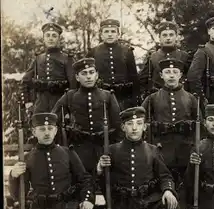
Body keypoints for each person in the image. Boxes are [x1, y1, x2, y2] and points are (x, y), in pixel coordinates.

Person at [9, 113, 103, 209]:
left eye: (50, 128)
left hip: (68, 207)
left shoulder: (68, 153)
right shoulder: (28, 158)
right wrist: (14, 175)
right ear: (34, 132)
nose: (46, 132)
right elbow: (18, 194)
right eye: (42, 129)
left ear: (56, 131)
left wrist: (87, 199)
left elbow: (85, 179)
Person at [97, 106, 179, 209]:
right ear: (123, 127)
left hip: (149, 202)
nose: (134, 128)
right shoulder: (112, 150)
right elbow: (103, 183)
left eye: (139, 123)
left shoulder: (153, 150)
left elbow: (165, 176)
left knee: (170, 208)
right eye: (129, 124)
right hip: (126, 207)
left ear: (144, 126)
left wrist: (168, 190)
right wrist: (100, 168)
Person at [141, 57, 198, 209]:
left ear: (181, 75)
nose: (171, 76)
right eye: (167, 72)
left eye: (175, 72)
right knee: (164, 191)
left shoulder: (191, 99)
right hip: (161, 152)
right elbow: (143, 125)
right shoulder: (152, 99)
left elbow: (201, 127)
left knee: (185, 191)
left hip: (184, 151)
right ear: (161, 75)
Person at [51, 58, 121, 194]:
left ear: (97, 75)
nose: (88, 76)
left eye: (91, 72)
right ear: (77, 77)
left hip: (103, 147)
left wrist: (115, 149)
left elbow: (118, 125)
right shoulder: (70, 96)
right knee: (81, 184)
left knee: (108, 186)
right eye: (84, 73)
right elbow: (54, 120)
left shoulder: (107, 96)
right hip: (79, 148)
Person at [21, 22, 76, 114]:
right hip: (40, 105)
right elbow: (25, 81)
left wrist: (69, 107)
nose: (51, 38)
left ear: (59, 39)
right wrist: (28, 102)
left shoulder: (67, 59)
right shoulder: (38, 58)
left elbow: (73, 85)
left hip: (61, 104)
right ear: (44, 38)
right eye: (48, 35)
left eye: (54, 36)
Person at [86, 19, 139, 110]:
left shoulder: (127, 51)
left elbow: (134, 77)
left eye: (113, 31)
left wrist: (135, 100)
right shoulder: (93, 52)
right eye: (106, 32)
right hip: (101, 98)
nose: (110, 34)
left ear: (118, 34)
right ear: (101, 34)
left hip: (124, 98)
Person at [138, 21, 190, 96]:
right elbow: (143, 81)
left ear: (176, 37)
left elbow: (190, 79)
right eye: (164, 35)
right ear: (159, 38)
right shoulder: (153, 57)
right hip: (158, 98)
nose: (168, 38)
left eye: (171, 35)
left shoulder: (184, 56)